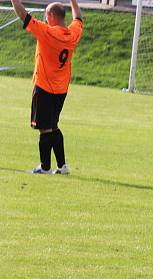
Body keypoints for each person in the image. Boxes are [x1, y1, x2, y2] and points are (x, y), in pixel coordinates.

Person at [10, 0, 82, 175]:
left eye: (46, 14)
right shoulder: (73, 33)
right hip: (61, 89)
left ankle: (45, 167)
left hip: (44, 87)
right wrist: (73, 1)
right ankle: (62, 166)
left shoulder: (47, 32)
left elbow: (23, 15)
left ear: (50, 16)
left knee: (44, 128)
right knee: (54, 126)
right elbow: (78, 18)